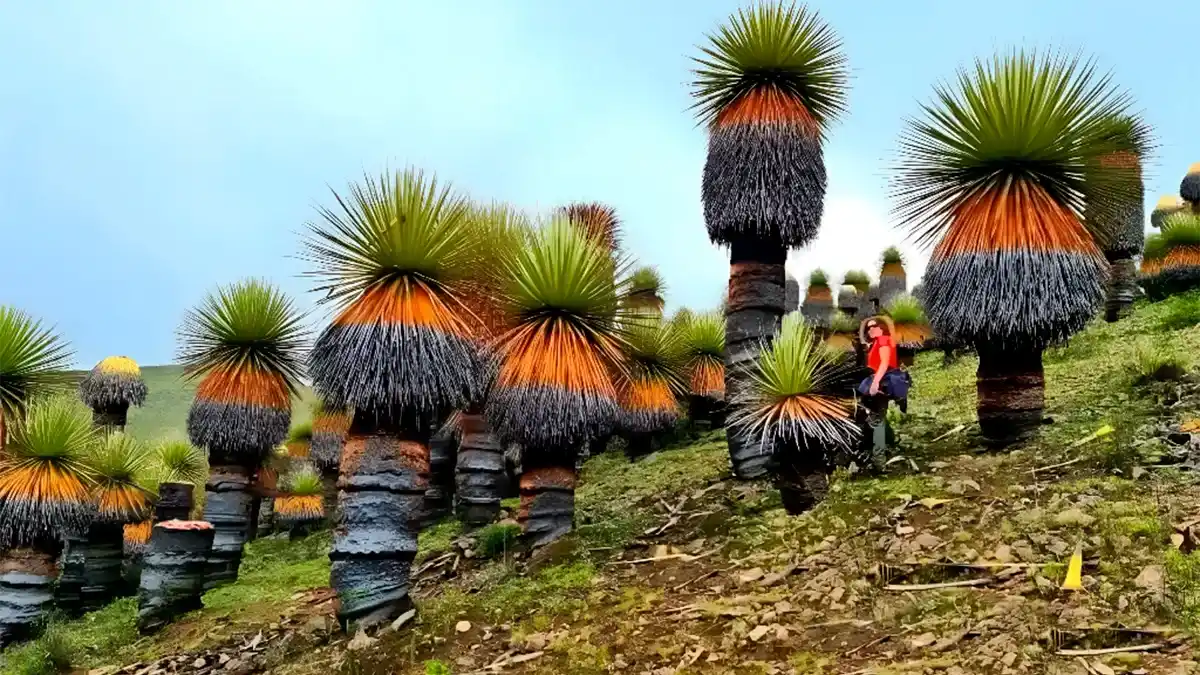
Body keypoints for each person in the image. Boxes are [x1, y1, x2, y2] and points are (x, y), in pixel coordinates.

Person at [856, 316, 912, 462]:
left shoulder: (883, 340)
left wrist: (875, 383)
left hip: (880, 382)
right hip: (881, 382)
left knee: (877, 421)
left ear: (882, 327)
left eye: (874, 326)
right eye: (868, 328)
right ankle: (877, 456)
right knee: (877, 419)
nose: (870, 330)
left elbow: (884, 363)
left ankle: (878, 460)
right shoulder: (877, 342)